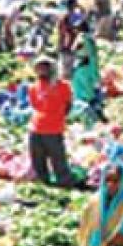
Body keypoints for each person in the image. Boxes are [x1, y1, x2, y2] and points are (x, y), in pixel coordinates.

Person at [27, 56, 74, 187]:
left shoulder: (63, 86)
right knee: (37, 157)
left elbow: (68, 105)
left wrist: (57, 117)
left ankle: (64, 181)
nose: (41, 71)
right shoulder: (33, 87)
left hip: (53, 128)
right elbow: (35, 105)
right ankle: (43, 181)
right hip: (36, 127)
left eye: (44, 67)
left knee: (58, 157)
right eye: (38, 68)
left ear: (51, 69)